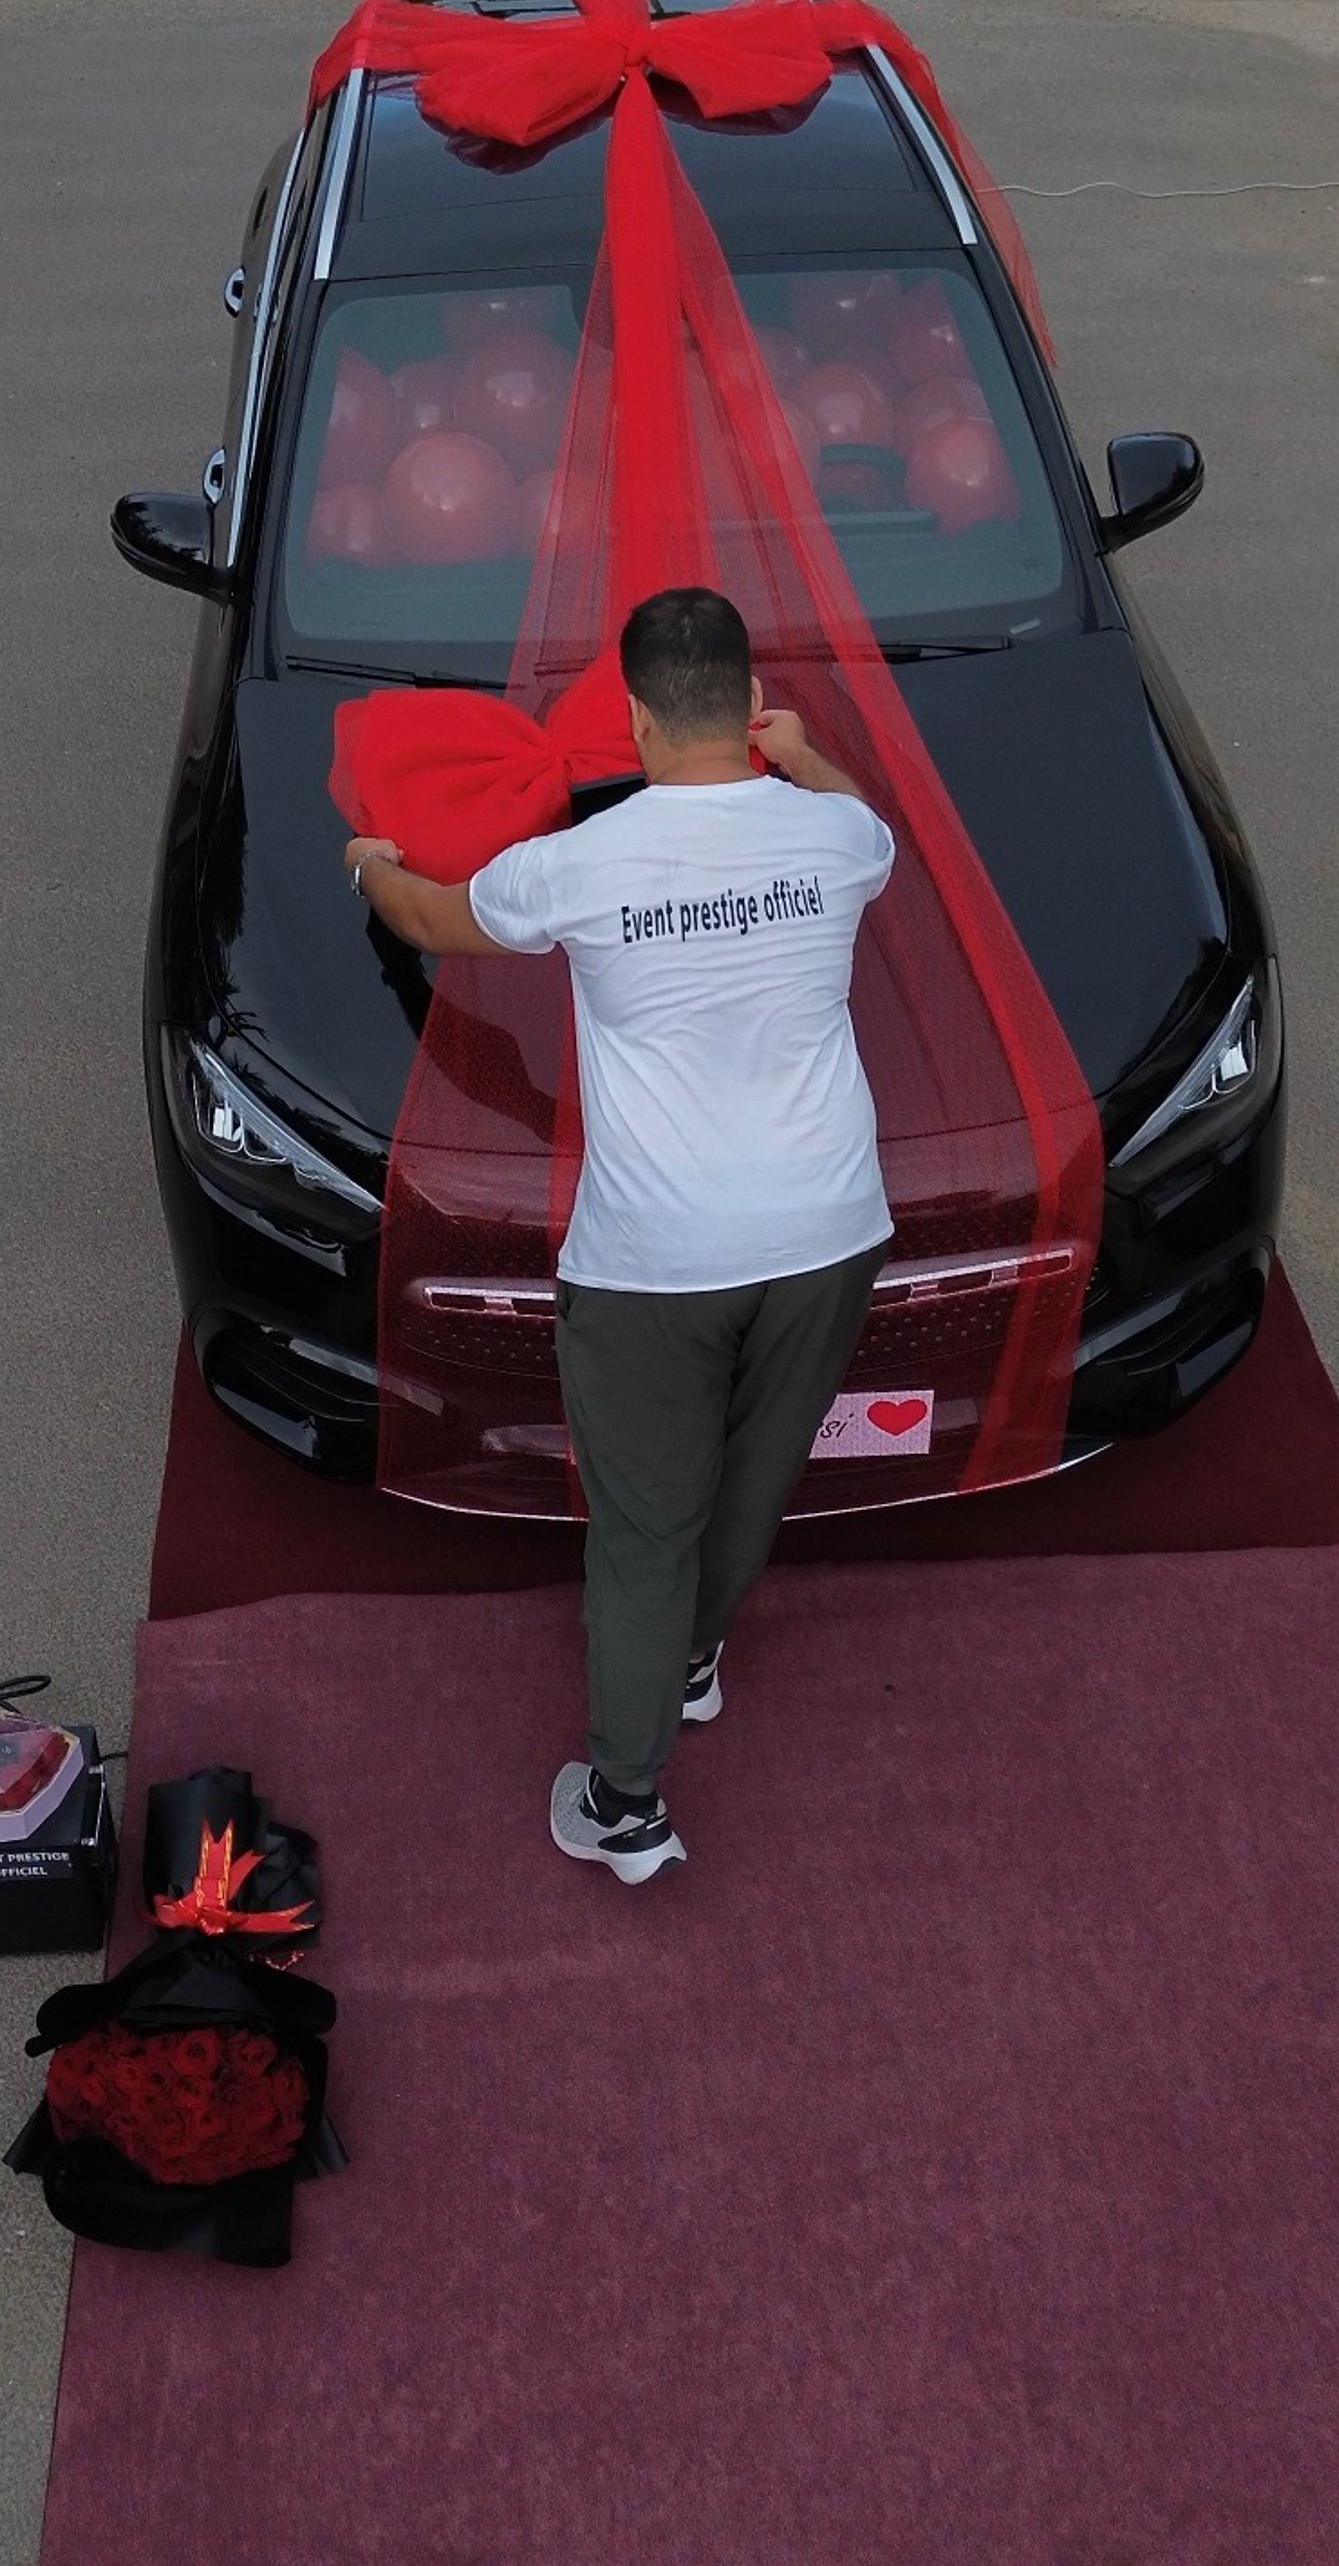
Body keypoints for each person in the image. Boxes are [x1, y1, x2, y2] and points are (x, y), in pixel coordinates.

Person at [342, 585, 895, 1885]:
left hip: (655, 1256)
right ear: (747, 706)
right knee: (756, 1477)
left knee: (646, 1528)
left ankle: (628, 1801)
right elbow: (856, 808)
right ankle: (698, 1655)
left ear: (636, 720)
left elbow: (429, 919)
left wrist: (367, 857)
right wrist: (804, 751)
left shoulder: (581, 867)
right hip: (828, 1227)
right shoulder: (839, 843)